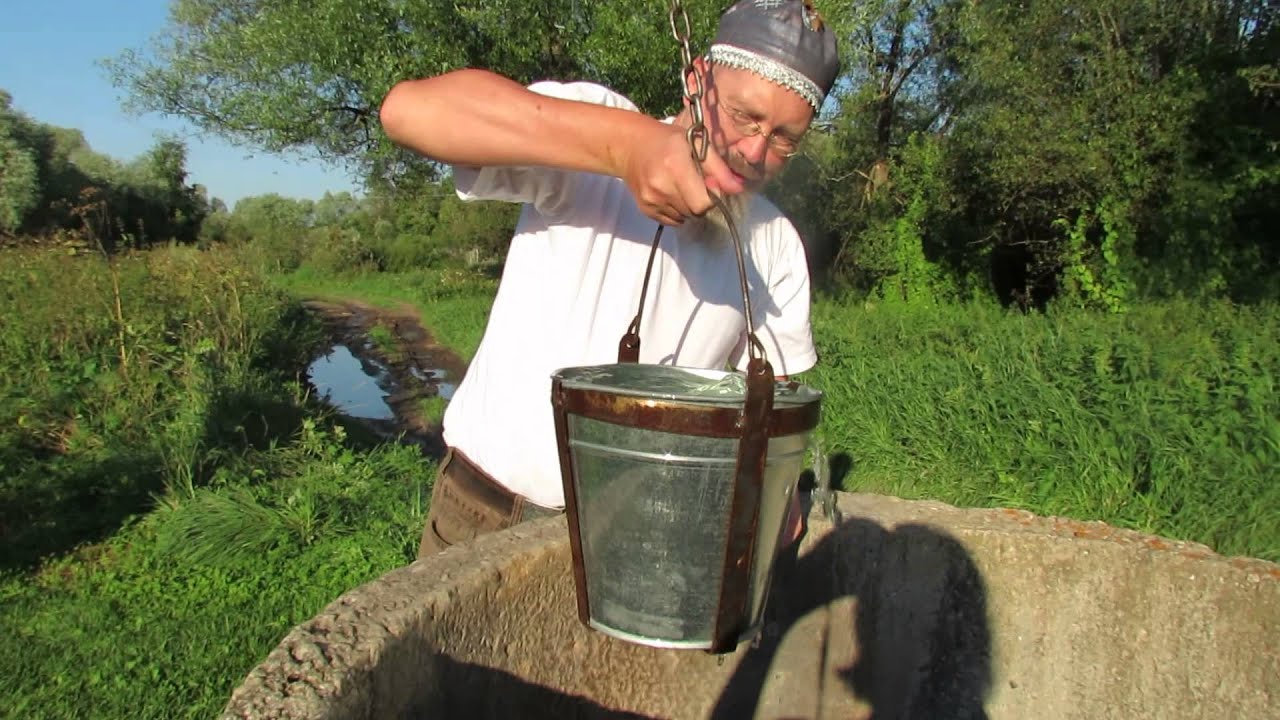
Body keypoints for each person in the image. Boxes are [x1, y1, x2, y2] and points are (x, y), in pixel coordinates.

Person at [379, 0, 840, 557]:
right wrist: (625, 148)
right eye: (745, 116)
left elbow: (774, 408)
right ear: (697, 80)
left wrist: (778, 491)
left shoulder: (774, 245)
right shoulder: (597, 125)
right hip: (485, 512)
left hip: (638, 538)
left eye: (785, 139)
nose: (755, 152)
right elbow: (408, 112)